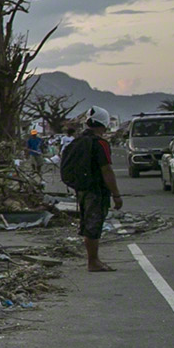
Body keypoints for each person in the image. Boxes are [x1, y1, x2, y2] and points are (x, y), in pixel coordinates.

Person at [60, 115, 122, 273]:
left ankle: (93, 260)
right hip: (96, 190)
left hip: (82, 189)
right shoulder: (100, 143)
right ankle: (93, 261)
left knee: (87, 222)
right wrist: (116, 194)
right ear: (103, 126)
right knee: (94, 224)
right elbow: (106, 170)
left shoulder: (79, 141)